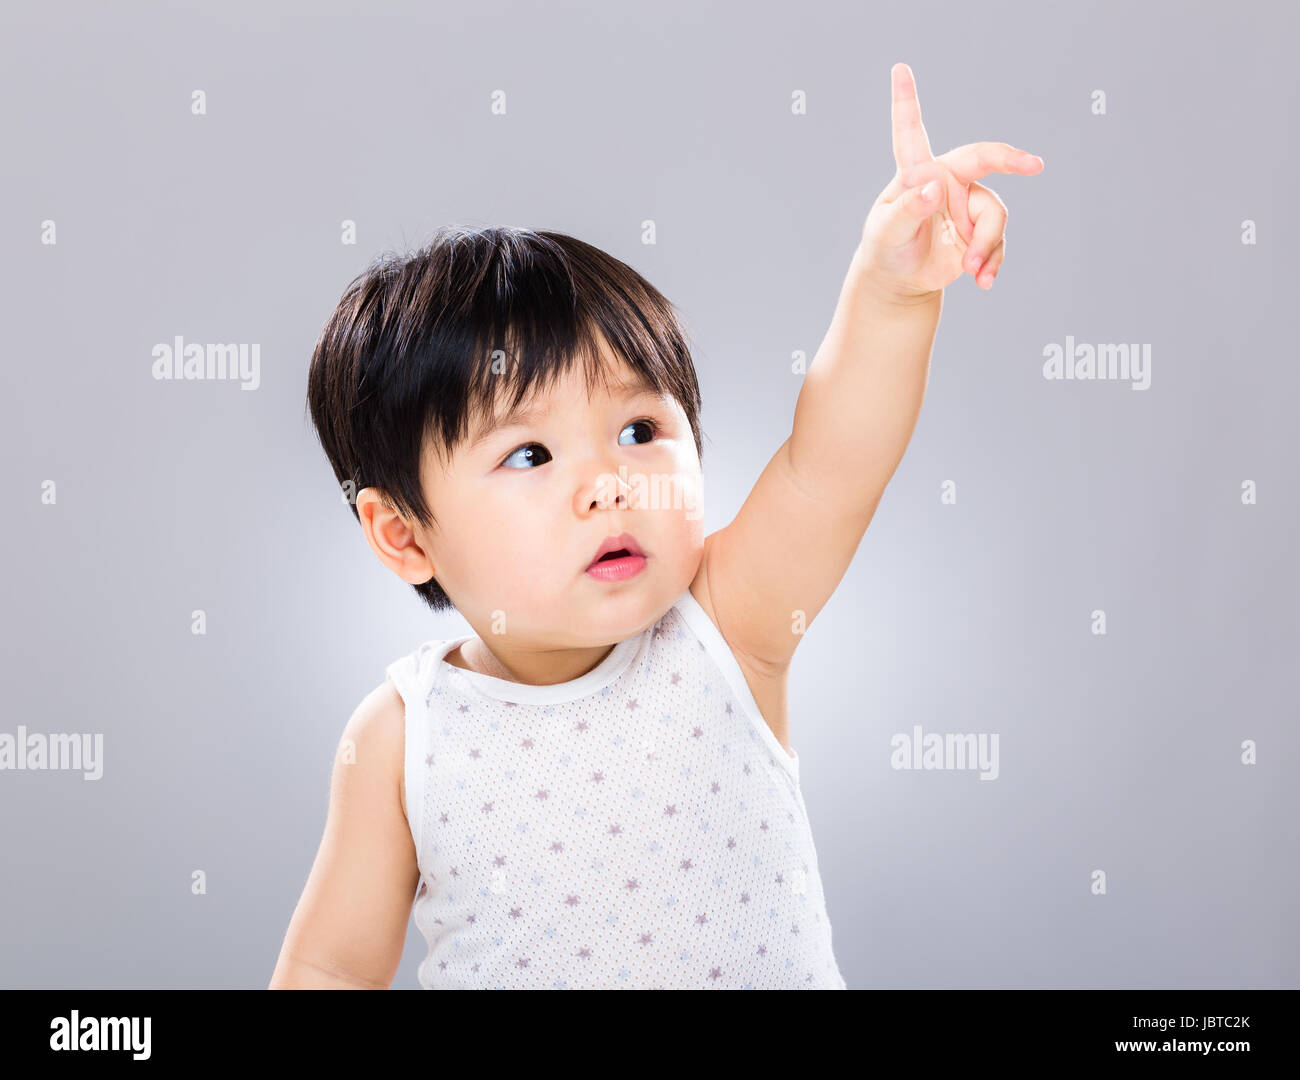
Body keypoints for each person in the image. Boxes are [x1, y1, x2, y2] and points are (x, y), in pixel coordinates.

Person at [270, 62, 1042, 990]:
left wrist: (896, 291)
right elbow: (331, 966)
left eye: (639, 430)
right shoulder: (406, 736)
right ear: (404, 535)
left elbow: (832, 466)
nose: (608, 486)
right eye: (530, 455)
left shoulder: (730, 624)